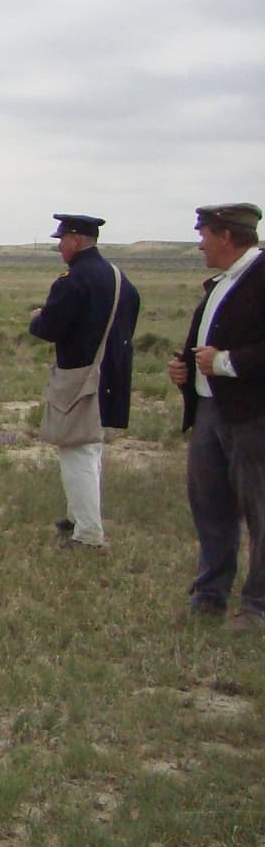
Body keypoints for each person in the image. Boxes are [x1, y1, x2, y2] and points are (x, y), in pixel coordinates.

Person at [168, 202, 265, 627]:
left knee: (260, 510)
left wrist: (224, 362)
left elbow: (234, 354)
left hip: (253, 416)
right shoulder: (222, 283)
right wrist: (186, 372)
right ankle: (210, 594)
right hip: (209, 409)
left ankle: (257, 605)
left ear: (226, 235)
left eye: (204, 234)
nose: (200, 243)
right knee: (210, 505)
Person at [27, 213, 141, 550]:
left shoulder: (73, 280)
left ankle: (88, 534)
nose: (60, 246)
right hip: (111, 373)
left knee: (77, 451)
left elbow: (50, 327)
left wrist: (36, 319)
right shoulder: (119, 278)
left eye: (62, 239)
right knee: (89, 450)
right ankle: (77, 515)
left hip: (80, 376)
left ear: (76, 239)